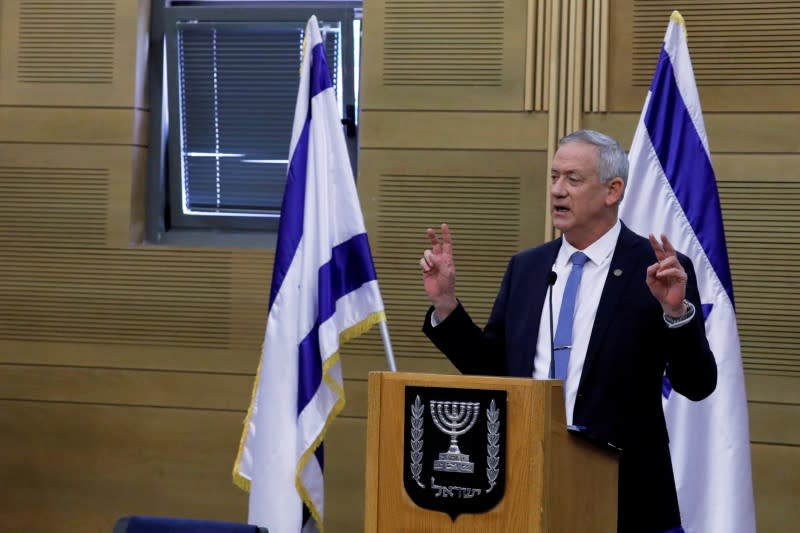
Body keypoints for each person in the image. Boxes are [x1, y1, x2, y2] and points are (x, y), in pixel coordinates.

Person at [419, 129, 717, 533]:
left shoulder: (659, 269)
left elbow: (697, 383)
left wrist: (676, 312)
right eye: (554, 177)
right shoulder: (526, 269)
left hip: (626, 495)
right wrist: (446, 305)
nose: (558, 190)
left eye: (573, 180)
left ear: (613, 190)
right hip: (523, 482)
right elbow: (493, 370)